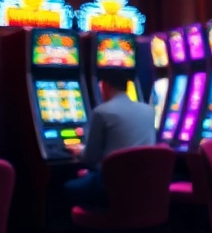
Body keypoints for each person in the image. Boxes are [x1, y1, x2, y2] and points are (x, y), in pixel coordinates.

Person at [65, 67, 157, 209]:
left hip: (111, 185)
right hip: (144, 185)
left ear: (105, 85)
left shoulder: (102, 112)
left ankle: (96, 229)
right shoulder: (149, 111)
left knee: (67, 187)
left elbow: (90, 158)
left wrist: (78, 150)